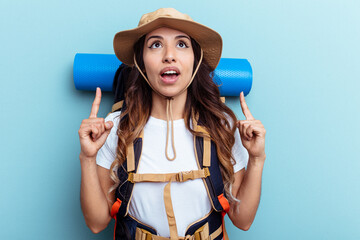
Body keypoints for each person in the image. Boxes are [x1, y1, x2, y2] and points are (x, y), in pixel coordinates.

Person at [78, 8, 266, 240]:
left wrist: (257, 159)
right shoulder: (114, 127)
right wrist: (87, 158)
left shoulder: (222, 125)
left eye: (182, 44)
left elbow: (243, 220)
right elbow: (96, 223)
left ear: (195, 60)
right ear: (141, 61)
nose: (169, 55)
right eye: (155, 45)